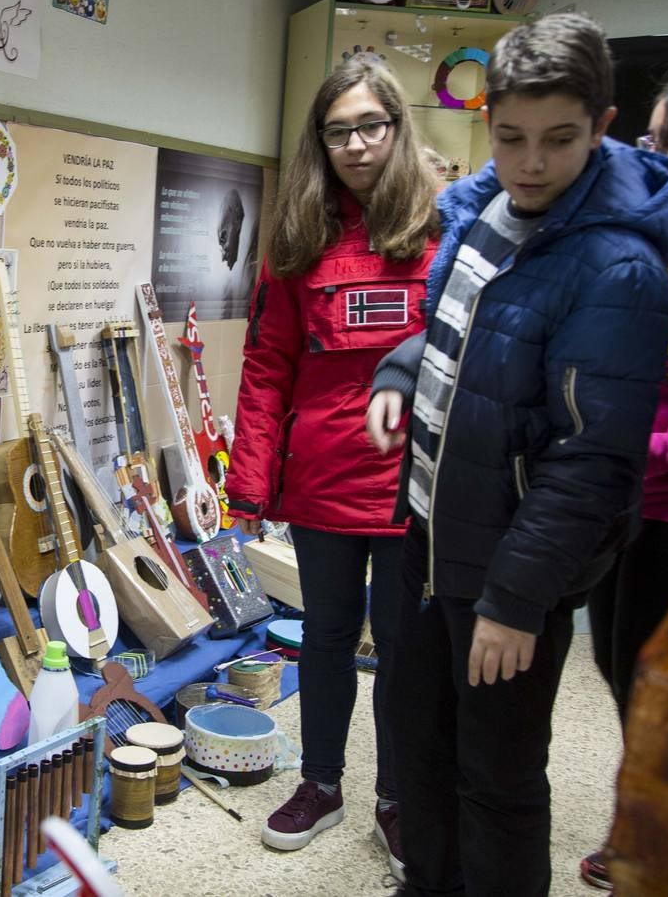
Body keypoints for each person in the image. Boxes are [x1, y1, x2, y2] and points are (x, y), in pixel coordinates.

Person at [365, 14, 668, 895]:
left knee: (496, 781)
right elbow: (451, 329)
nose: (532, 163)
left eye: (559, 140)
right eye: (510, 138)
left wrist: (512, 603)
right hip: (431, 540)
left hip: (509, 576)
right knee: (419, 754)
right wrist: (399, 371)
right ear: (487, 127)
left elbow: (591, 461)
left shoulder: (616, 269)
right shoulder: (480, 216)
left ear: (602, 124)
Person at [225, 54, 440, 882]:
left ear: (395, 127)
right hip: (319, 483)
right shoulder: (299, 237)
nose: (354, 144)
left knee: (403, 649)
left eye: (369, 126)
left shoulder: (439, 228)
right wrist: (248, 483)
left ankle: (396, 798)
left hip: (410, 484)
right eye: (337, 130)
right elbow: (268, 364)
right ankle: (321, 783)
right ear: (319, 139)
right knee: (322, 637)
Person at [579, 54, 668, 892]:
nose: (643, 151)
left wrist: (653, 451)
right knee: (618, 665)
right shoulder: (656, 240)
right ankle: (645, 811)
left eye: (661, 141)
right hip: (624, 503)